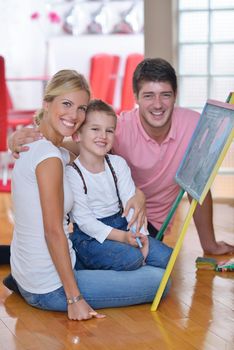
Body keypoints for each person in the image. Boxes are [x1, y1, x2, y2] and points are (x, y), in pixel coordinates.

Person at [8, 58, 233, 255]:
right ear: (135, 97)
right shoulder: (121, 127)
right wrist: (26, 141)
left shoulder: (195, 126)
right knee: (74, 250)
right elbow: (78, 146)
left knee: (152, 263)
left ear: (175, 96)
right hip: (107, 215)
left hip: (147, 224)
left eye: (165, 95)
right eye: (148, 96)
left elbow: (198, 187)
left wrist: (209, 244)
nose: (157, 104)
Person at [3, 69, 171, 321]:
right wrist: (75, 299)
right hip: (50, 287)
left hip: (31, 272)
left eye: (81, 108)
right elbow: (53, 231)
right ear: (47, 103)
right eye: (67, 104)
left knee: (154, 260)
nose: (74, 115)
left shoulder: (48, 148)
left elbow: (90, 151)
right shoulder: (49, 157)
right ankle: (68, 289)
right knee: (161, 281)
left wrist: (138, 193)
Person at [66, 99, 172, 271]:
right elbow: (85, 222)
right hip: (90, 237)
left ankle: (132, 268)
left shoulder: (118, 164)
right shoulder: (72, 173)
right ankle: (80, 259)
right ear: (77, 135)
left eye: (109, 131)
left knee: (167, 257)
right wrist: (123, 238)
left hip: (122, 225)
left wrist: (141, 237)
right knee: (131, 258)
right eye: (95, 129)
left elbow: (132, 207)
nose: (103, 136)